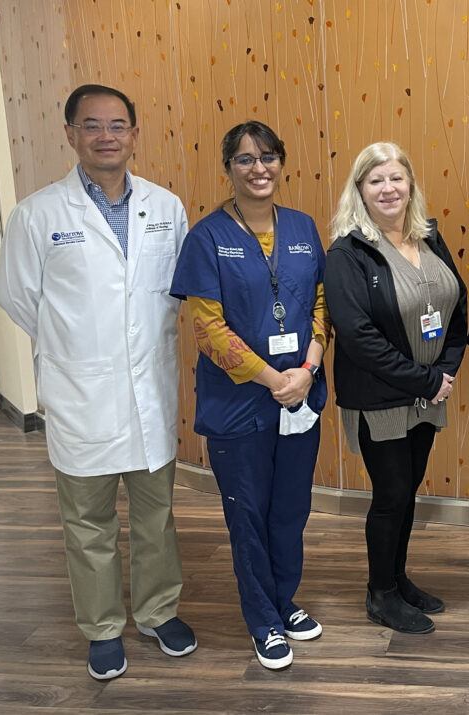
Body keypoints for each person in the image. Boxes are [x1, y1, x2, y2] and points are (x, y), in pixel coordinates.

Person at [0, 84, 196, 680]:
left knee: (156, 516)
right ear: (71, 134)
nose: (105, 136)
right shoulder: (38, 214)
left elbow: (175, 295)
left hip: (151, 391)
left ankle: (159, 613)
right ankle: (103, 627)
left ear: (135, 133)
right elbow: (18, 297)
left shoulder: (166, 207)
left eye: (117, 125)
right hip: (80, 394)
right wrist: (80, 348)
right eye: (91, 126)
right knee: (88, 523)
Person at [170, 121, 328, 670]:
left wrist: (308, 367)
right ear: (228, 169)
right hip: (240, 406)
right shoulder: (207, 237)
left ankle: (285, 602)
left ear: (282, 162)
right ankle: (263, 620)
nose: (258, 168)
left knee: (290, 510)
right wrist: (272, 379)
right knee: (248, 515)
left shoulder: (305, 228)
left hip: (301, 397)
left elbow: (320, 307)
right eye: (244, 159)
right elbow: (208, 329)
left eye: (267, 157)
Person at [325, 142, 467, 635]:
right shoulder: (349, 252)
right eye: (375, 181)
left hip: (428, 393)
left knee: (407, 493)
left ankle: (398, 578)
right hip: (381, 398)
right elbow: (358, 337)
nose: (388, 189)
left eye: (396, 178)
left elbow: (457, 304)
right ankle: (379, 593)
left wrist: (444, 371)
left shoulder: (428, 235)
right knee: (391, 495)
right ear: (359, 190)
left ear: (410, 185)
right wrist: (428, 380)